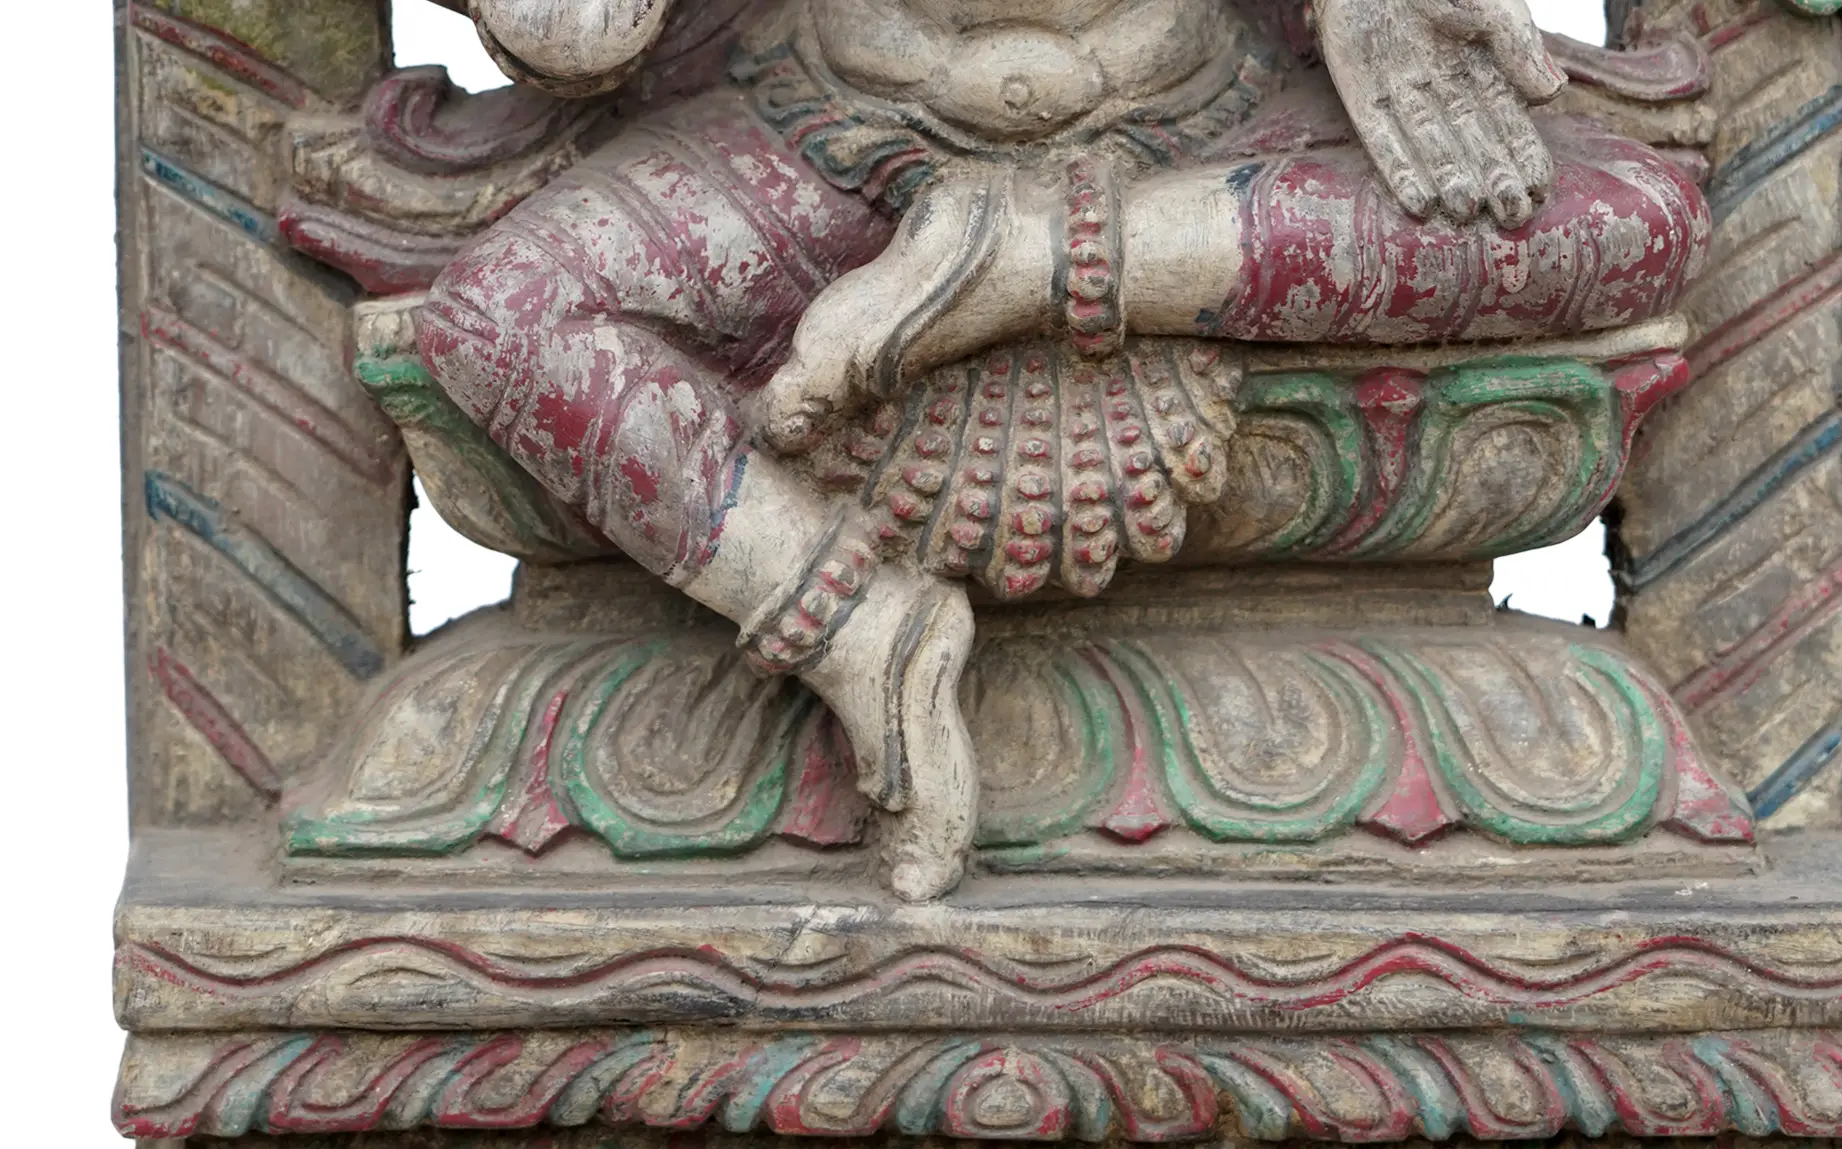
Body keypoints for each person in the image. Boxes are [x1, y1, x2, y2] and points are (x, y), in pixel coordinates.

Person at [419, 0, 1707, 899]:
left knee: (1634, 224)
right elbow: (577, 35)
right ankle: (857, 622)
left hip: (1201, 136)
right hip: (820, 136)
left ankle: (1028, 263)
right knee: (498, 317)